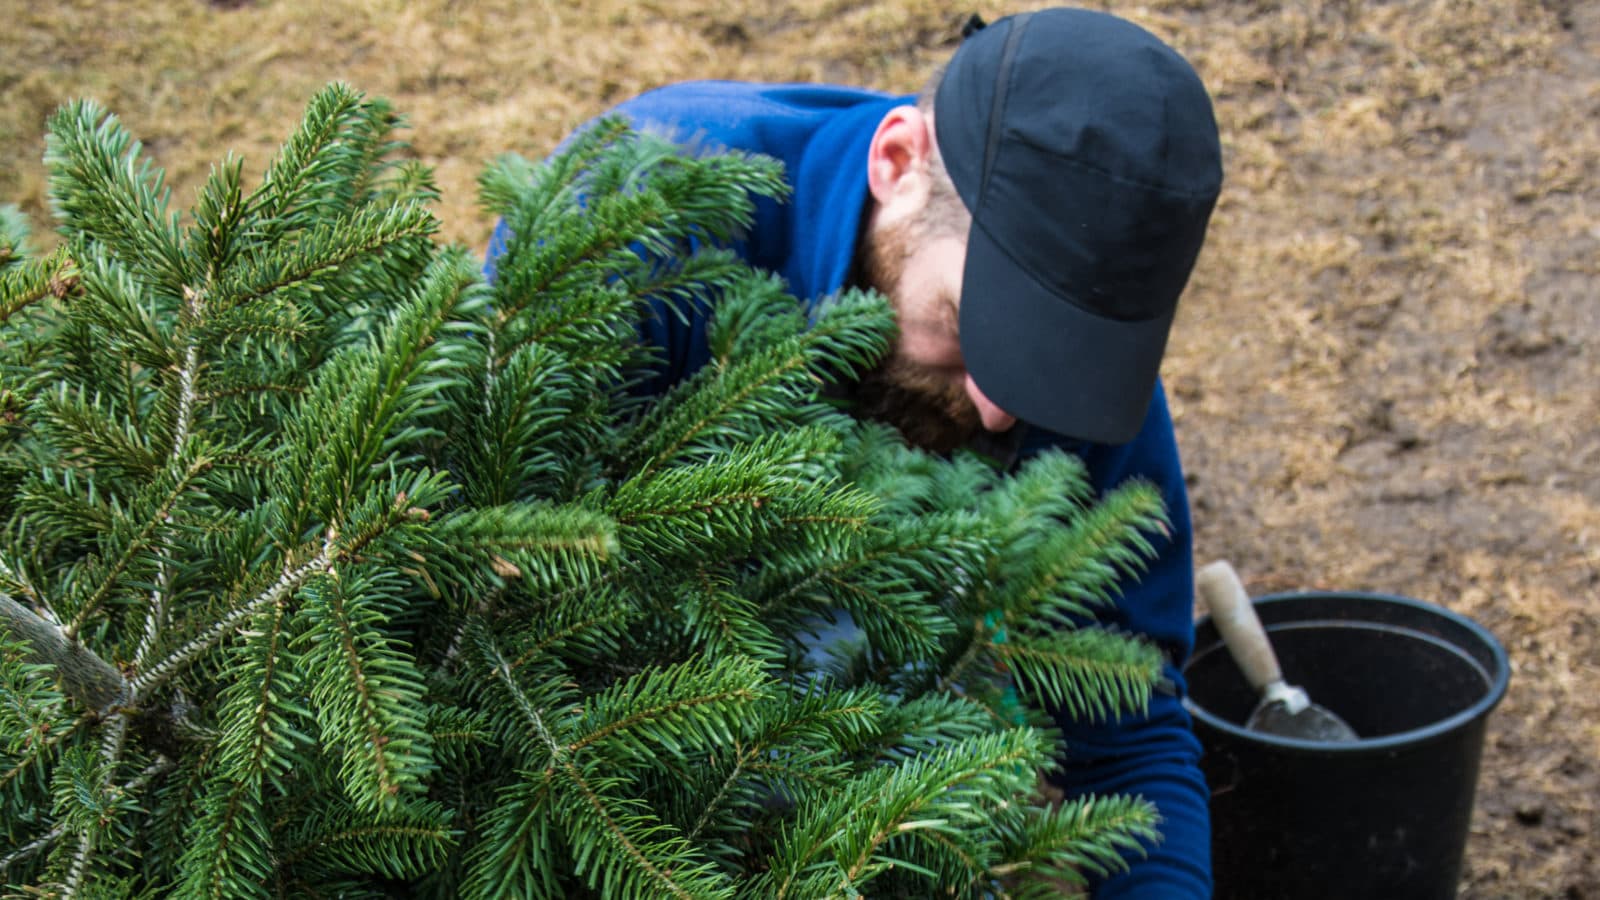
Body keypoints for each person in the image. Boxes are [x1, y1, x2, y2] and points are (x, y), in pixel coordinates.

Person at [487, 7, 1222, 896]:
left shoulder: (1077, 358)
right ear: (897, 164)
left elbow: (1130, 723)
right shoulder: (646, 222)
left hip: (877, 748)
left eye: (1046, 358)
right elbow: (493, 614)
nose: (999, 412)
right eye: (970, 325)